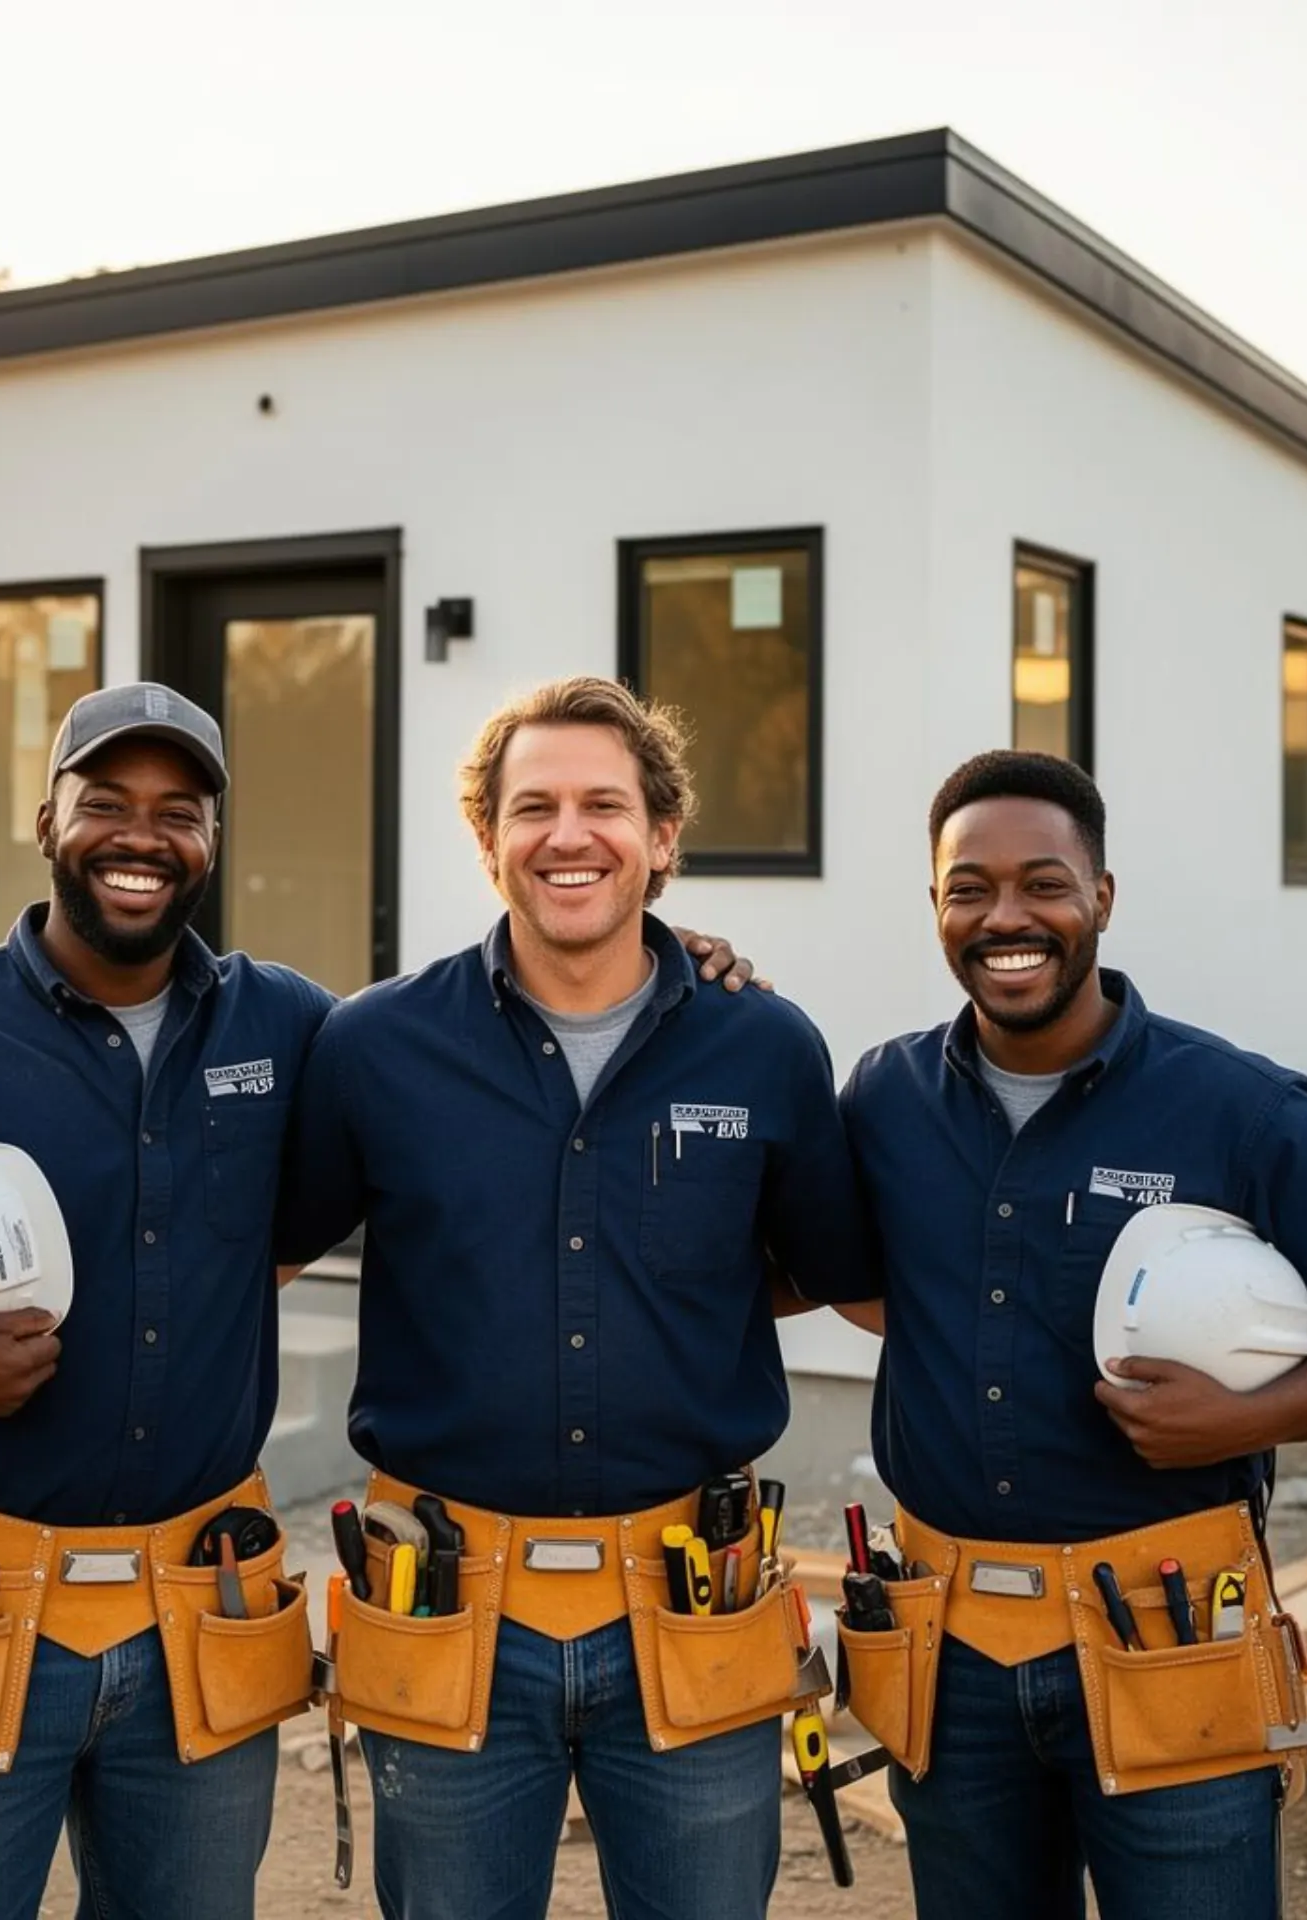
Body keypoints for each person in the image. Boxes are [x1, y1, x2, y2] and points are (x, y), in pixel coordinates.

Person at [0, 681, 757, 1920]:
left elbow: (439, 1075)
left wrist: (662, 961)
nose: (140, 836)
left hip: (200, 1610)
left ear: (212, 840)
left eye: (179, 811)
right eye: (106, 804)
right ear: (47, 822)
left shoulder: (297, 1029)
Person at [276, 675, 877, 1920]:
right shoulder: (374, 1046)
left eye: (605, 804)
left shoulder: (764, 1045)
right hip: (446, 1604)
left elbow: (834, 1271)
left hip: (693, 1602)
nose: (568, 834)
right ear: (487, 839)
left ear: (662, 841)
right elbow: (261, 1253)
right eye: (532, 806)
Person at [836, 749, 1307, 1920]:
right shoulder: (885, 1098)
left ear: (1101, 899)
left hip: (1171, 1639)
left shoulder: (1240, 1108)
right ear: (934, 906)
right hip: (948, 1655)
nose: (1005, 916)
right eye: (968, 887)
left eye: (1043, 883)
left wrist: (1248, 1418)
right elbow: (838, 1275)